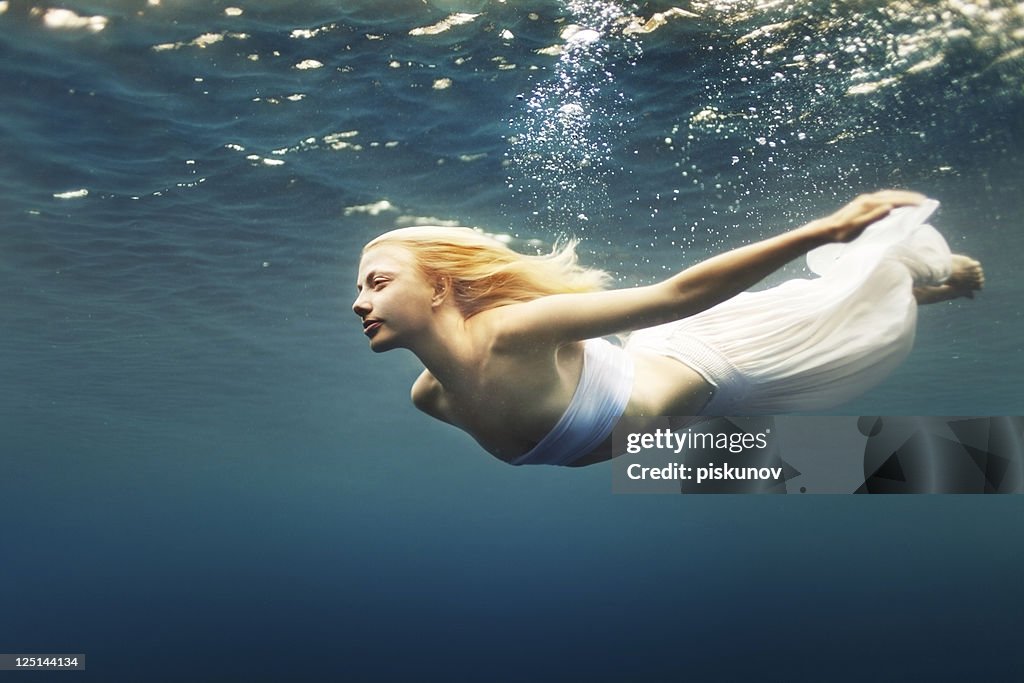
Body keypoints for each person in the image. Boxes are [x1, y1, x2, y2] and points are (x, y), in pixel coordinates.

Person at [352, 191, 984, 467]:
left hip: (719, 360)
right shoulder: (431, 399)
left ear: (439, 288)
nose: (358, 302)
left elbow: (676, 295)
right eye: (358, 287)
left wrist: (822, 231)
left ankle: (926, 284)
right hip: (683, 411)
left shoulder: (513, 331)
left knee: (842, 317)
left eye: (377, 282)